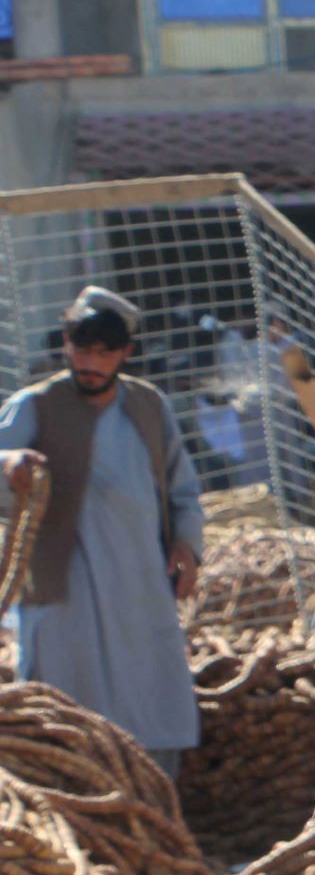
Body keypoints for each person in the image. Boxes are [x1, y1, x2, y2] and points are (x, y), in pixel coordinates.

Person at [0, 287, 204, 777]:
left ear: (124, 353)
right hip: (61, 583)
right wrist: (11, 465)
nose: (91, 362)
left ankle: (153, 797)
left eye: (104, 352)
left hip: (140, 582)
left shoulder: (149, 407)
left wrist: (187, 546)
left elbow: (183, 490)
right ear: (66, 345)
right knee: (66, 692)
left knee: (150, 688)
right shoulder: (36, 404)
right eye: (82, 349)